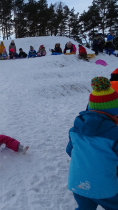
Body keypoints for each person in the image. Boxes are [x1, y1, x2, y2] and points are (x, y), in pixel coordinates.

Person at [66, 77, 118, 210]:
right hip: (105, 188)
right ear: (114, 112)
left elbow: (69, 151)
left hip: (78, 184)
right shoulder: (115, 134)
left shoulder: (74, 130)